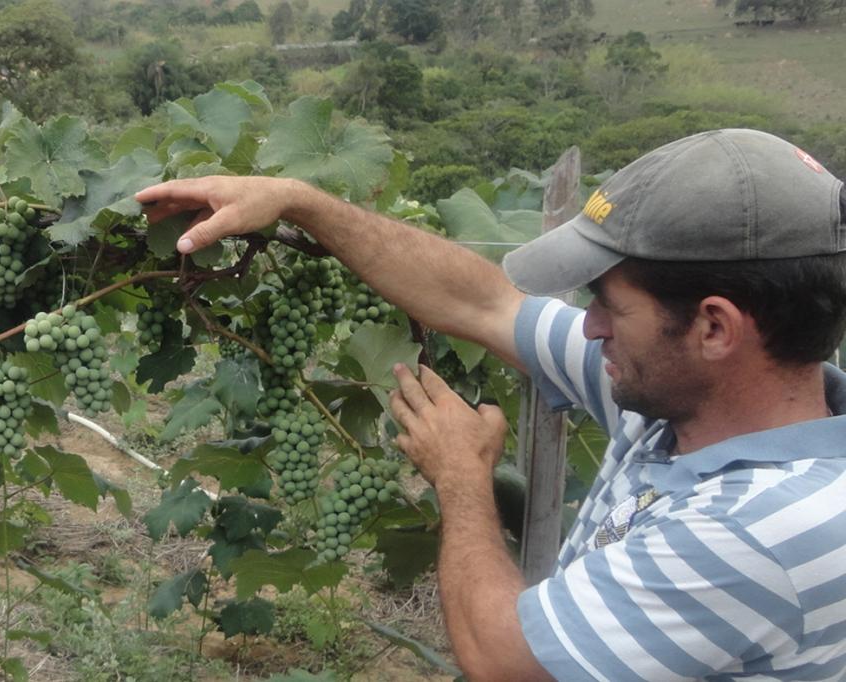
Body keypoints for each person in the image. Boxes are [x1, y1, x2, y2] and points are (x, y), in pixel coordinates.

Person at [135, 128, 846, 681]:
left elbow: (505, 660)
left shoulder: (759, 530)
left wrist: (462, 479)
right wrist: (300, 200)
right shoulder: (688, 399)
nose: (588, 327)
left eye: (608, 307)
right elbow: (484, 303)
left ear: (714, 328)